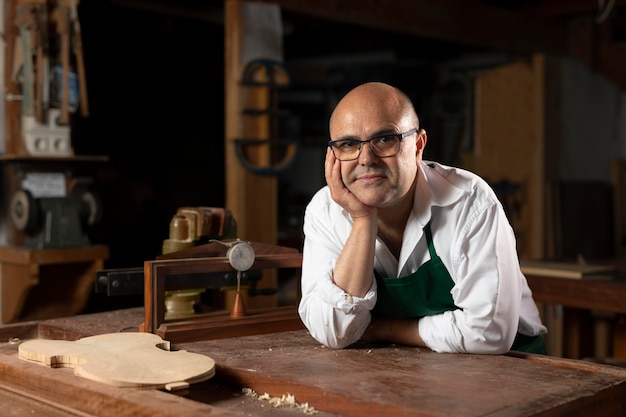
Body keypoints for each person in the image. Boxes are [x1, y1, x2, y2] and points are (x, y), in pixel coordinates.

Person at [297, 81, 547, 354]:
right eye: (348, 143)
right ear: (333, 155)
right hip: (402, 371)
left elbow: (490, 334)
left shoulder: (469, 202)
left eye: (384, 139)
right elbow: (333, 332)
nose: (366, 158)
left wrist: (382, 329)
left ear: (418, 146)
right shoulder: (325, 211)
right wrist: (363, 219)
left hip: (511, 370)